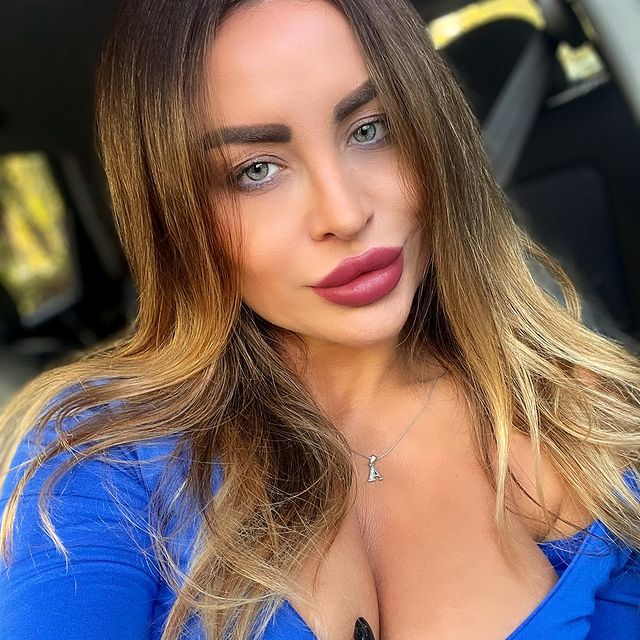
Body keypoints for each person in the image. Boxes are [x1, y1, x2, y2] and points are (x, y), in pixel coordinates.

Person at [1, 0, 639, 638]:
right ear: (174, 217)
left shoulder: (585, 428)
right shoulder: (99, 460)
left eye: (372, 128)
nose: (344, 213)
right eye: (255, 171)